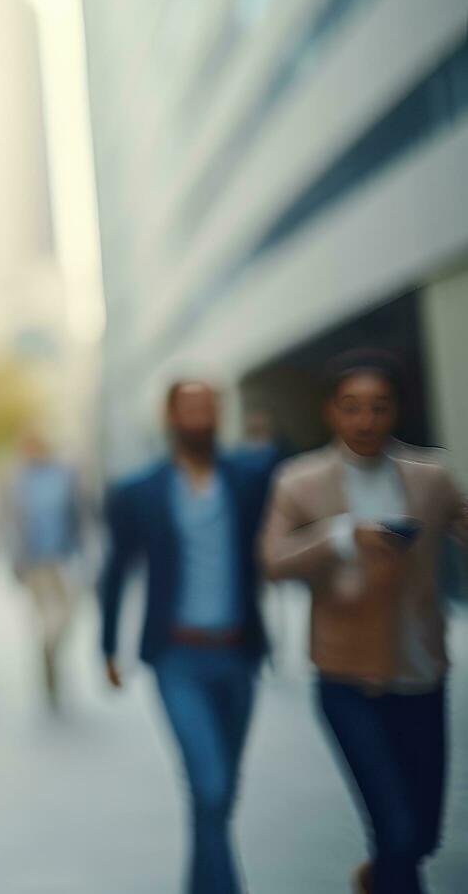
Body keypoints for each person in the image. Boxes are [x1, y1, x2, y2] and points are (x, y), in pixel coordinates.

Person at [260, 350, 467, 894]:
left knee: (423, 837)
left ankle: (379, 878)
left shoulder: (433, 480)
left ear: (395, 411)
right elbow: (273, 559)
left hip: (423, 674)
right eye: (352, 407)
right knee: (396, 832)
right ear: (332, 412)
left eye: (378, 407)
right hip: (347, 679)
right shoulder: (300, 481)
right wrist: (340, 536)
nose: (365, 420)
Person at [98, 380, 272, 894]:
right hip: (177, 658)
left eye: (209, 408)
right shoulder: (140, 491)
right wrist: (108, 646)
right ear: (170, 416)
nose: (201, 417)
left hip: (239, 654)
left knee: (218, 794)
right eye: (190, 408)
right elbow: (116, 569)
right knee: (211, 785)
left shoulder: (248, 479)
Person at [7, 429, 82, 710]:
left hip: (63, 561)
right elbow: (9, 523)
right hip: (35, 564)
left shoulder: (65, 475)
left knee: (66, 618)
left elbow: (80, 515)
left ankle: (50, 650)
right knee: (45, 621)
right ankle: (48, 660)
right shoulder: (17, 481)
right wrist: (15, 562)